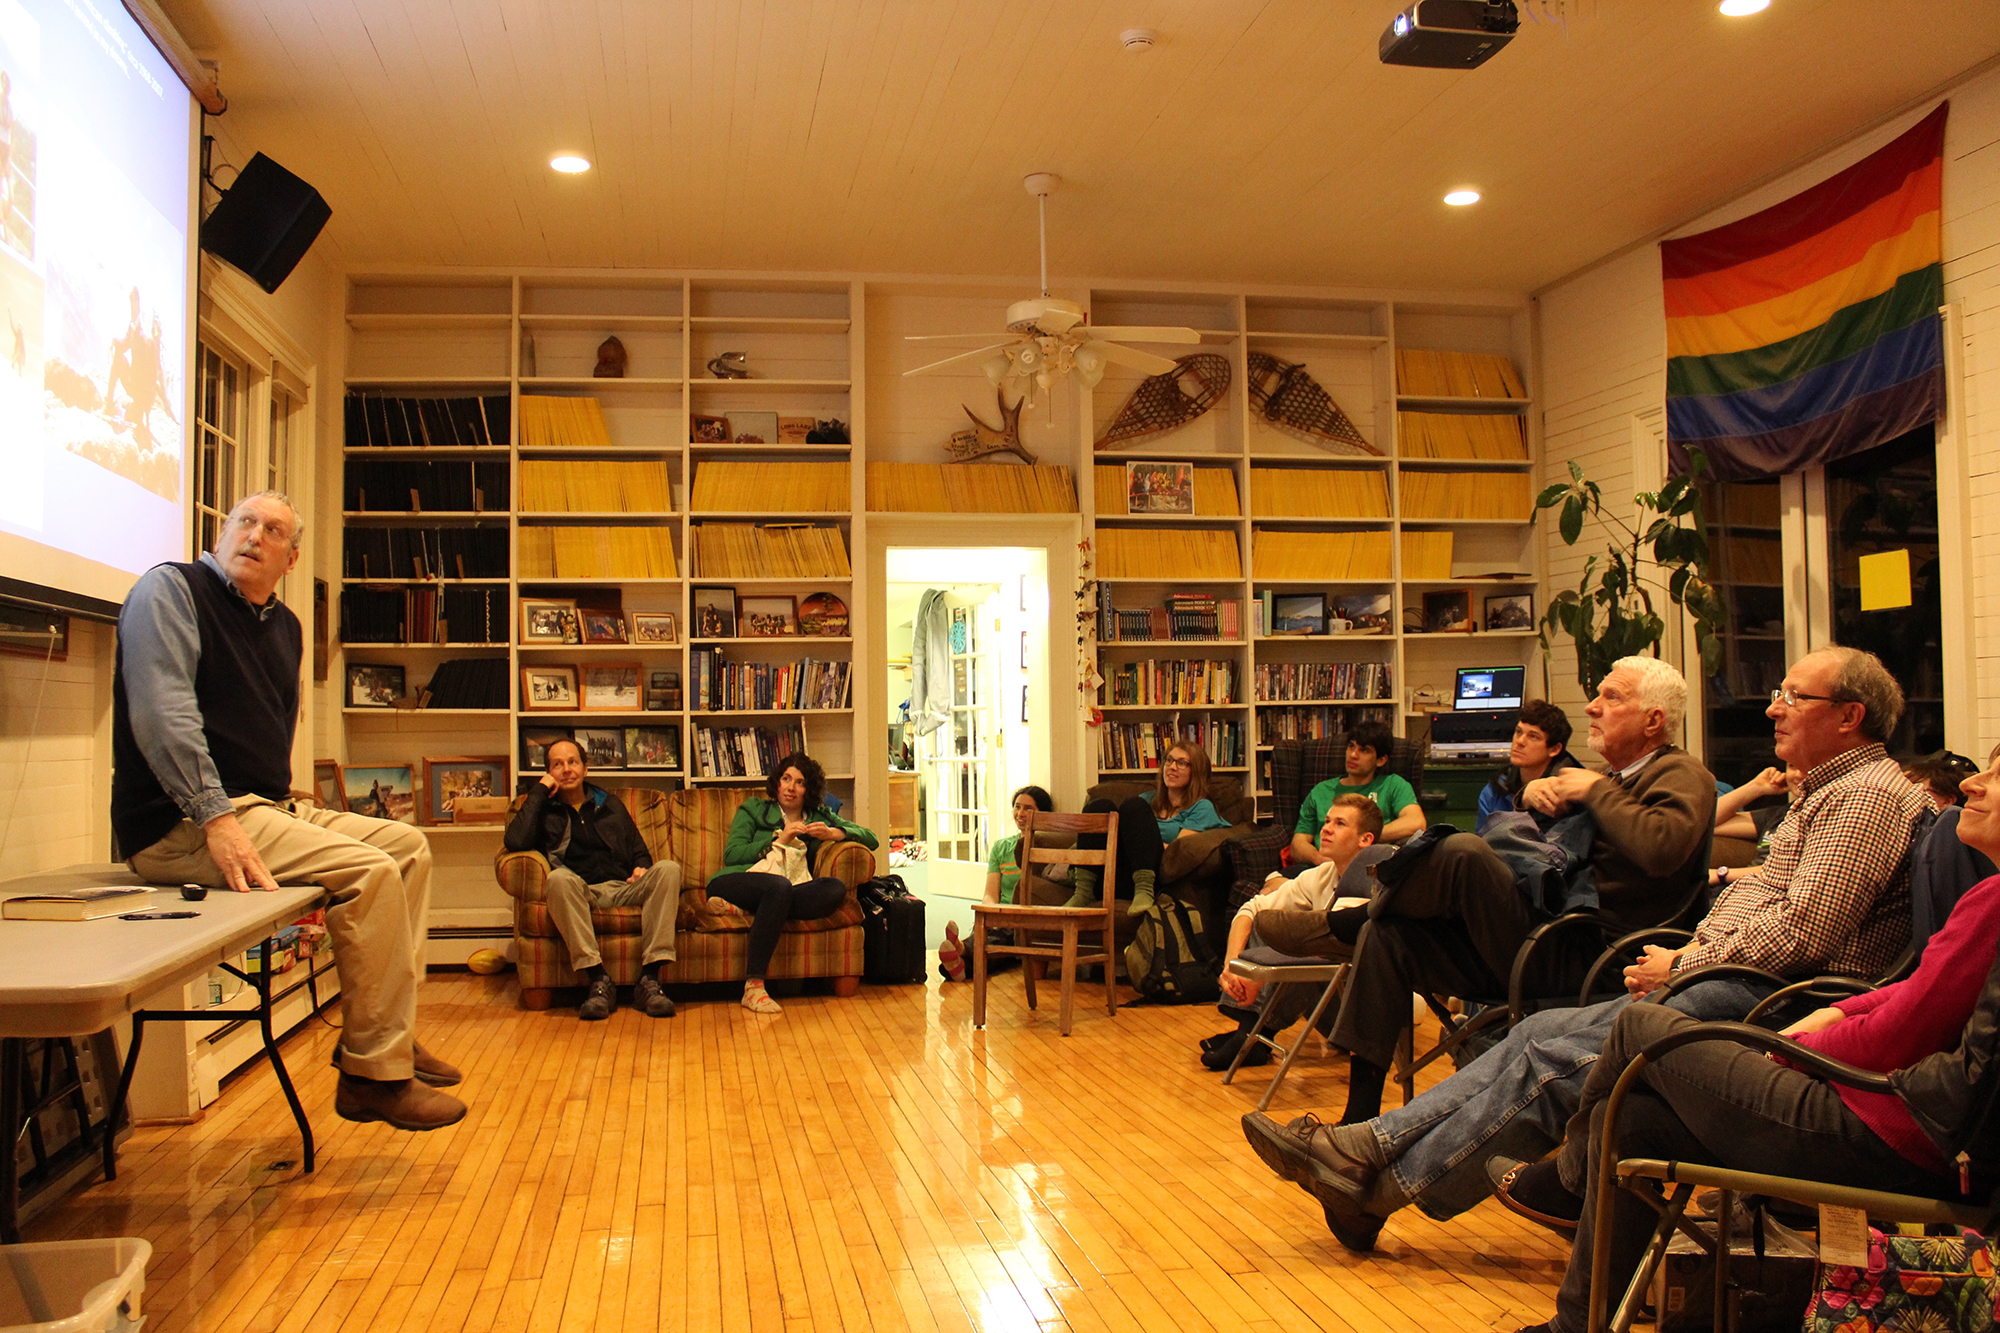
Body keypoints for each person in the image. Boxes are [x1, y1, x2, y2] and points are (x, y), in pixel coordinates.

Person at [1241, 646, 1929, 1251]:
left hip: (1719, 984)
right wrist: (1551, 806)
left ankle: (1365, 1153)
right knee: (1465, 974)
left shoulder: (1860, 795)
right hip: (1657, 956)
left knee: (1458, 858)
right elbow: (1768, 907)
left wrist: (1683, 956)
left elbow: (1799, 932)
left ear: (1850, 715)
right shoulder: (1826, 794)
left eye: (1793, 696)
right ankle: (1365, 1160)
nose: (1773, 709)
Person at [1502, 747, 2000, 1333]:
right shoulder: (1988, 896)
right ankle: (1575, 1322)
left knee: (1643, 1027)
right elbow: (1912, 993)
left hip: (1891, 1133)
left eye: (1998, 774)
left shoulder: (1993, 903)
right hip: (1898, 1119)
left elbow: (1906, 1030)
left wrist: (1794, 1057)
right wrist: (1836, 1011)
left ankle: (1568, 1181)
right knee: (1635, 1115)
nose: (1974, 784)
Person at [112, 491, 464, 1132]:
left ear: (291, 556)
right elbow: (163, 716)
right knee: (370, 871)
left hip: (263, 807)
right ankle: (372, 1076)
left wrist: (293, 808)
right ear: (221, 535)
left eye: (272, 530)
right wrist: (214, 818)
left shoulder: (286, 626)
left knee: (408, 847)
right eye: (243, 522)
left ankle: (388, 1029)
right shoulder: (172, 592)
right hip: (182, 821)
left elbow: (268, 736)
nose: (253, 535)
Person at [1197, 797, 1384, 1071]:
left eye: (1340, 824)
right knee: (1267, 920)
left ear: (1365, 839)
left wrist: (1263, 974)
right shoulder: (1321, 875)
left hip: (1365, 1018)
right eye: (1327, 821)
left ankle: (1253, 1037)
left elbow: (1332, 944)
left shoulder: (1374, 880)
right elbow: (1251, 909)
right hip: (1331, 999)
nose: (1326, 829)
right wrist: (1233, 963)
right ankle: (1249, 1034)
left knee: (1313, 953)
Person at [502, 738, 682, 1020]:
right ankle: (599, 980)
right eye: (557, 765)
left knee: (669, 869)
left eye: (572, 762)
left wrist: (641, 868)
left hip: (623, 887)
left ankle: (650, 980)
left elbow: (639, 849)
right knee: (558, 879)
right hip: (580, 890)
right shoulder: (542, 810)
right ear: (548, 772)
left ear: (585, 769)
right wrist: (538, 791)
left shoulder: (608, 804)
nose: (566, 769)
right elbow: (515, 841)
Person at [711, 752, 878, 1013]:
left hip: (787, 889)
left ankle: (749, 910)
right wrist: (778, 841)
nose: (790, 787)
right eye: (786, 779)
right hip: (739, 880)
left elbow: (871, 838)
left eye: (799, 782)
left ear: (808, 789)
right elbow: (732, 854)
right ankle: (754, 986)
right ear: (776, 782)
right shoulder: (754, 809)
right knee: (778, 887)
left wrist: (833, 833)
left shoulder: (817, 815)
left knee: (834, 888)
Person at [1066, 741, 1232, 915]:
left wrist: (1141, 844)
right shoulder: (1147, 800)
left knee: (1133, 805)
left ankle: (1144, 890)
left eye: (1181, 763)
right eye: (1169, 760)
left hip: (1156, 878)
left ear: (1196, 771)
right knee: (1099, 806)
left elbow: (1176, 853)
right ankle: (1083, 892)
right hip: (1117, 872)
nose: (1172, 767)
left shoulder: (1202, 807)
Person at [937, 784, 1054, 982]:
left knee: (1005, 938)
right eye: (1017, 807)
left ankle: (962, 949)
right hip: (1001, 916)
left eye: (1028, 808)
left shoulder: (1049, 846)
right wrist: (990, 914)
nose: (1020, 813)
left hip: (1025, 917)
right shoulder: (1001, 847)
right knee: (994, 937)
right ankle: (961, 964)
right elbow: (990, 893)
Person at [1289, 720, 1424, 871]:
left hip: (1371, 868)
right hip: (1323, 868)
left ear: (1381, 760)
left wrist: (1358, 838)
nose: (1353, 755)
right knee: (1273, 884)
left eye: (1364, 750)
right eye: (1351, 746)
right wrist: (1318, 858)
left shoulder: (1393, 785)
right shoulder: (1321, 790)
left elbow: (1416, 822)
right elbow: (1298, 844)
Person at [1476, 701, 1584, 829]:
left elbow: (1562, 846)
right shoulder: (1495, 790)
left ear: (1554, 749)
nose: (1520, 741)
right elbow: (1483, 843)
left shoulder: (1573, 794)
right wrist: (1522, 801)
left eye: (1533, 736)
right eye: (1518, 732)